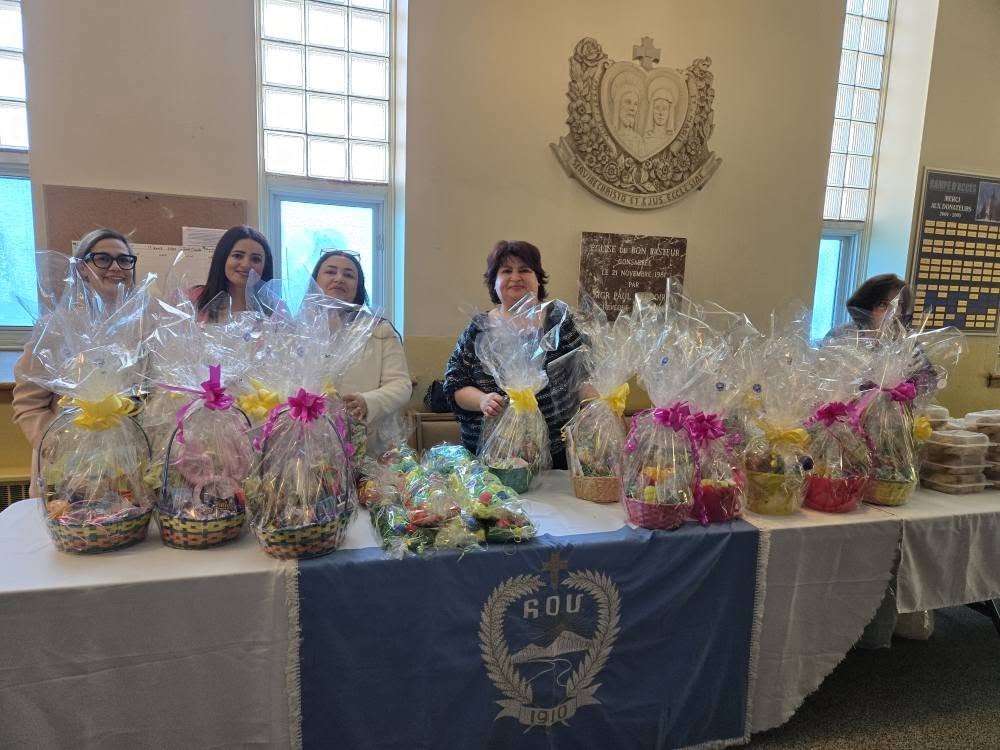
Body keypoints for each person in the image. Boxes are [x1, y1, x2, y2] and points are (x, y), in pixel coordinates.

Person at [13, 228, 139, 497]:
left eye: (124, 260)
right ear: (82, 268)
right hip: (68, 463)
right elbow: (28, 403)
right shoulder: (54, 327)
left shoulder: (141, 327)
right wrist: (59, 445)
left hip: (127, 462)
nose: (115, 267)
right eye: (102, 259)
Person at [444, 240, 589, 470]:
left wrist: (600, 408)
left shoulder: (559, 321)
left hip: (553, 455)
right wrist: (482, 400)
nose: (516, 277)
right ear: (494, 282)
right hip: (488, 457)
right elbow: (454, 384)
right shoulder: (478, 328)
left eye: (524, 270)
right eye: (506, 271)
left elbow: (584, 374)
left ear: (538, 279)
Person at [310, 249, 412, 456]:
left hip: (368, 445)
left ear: (358, 286)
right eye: (330, 272)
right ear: (314, 282)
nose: (339, 278)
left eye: (348, 275)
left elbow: (401, 385)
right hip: (311, 443)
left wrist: (367, 402)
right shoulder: (297, 329)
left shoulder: (379, 329)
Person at [190, 225, 274, 321]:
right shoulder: (192, 299)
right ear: (223, 258)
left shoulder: (275, 308)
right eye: (237, 256)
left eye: (255, 259)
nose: (246, 265)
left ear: (265, 266)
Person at [825, 273, 913, 340]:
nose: (893, 312)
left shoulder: (906, 342)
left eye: (898, 304)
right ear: (866, 307)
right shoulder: (840, 336)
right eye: (883, 304)